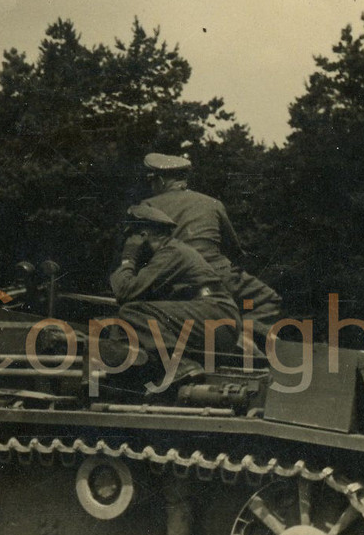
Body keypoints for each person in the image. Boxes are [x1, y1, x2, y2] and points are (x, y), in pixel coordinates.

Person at [132, 153, 283, 341]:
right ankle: (243, 336)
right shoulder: (212, 203)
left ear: (161, 180)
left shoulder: (147, 206)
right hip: (219, 274)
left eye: (152, 182)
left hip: (176, 278)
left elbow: (139, 253)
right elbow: (234, 250)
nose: (151, 187)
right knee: (266, 300)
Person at [105, 204, 240, 388]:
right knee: (127, 324)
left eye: (130, 237)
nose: (126, 243)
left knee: (131, 311)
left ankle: (179, 365)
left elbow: (125, 292)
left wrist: (128, 258)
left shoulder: (171, 253)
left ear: (142, 236)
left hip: (214, 316)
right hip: (211, 320)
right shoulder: (166, 254)